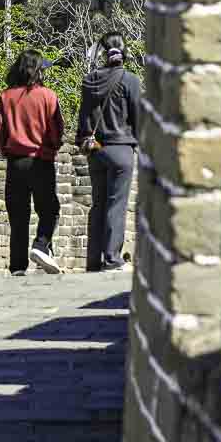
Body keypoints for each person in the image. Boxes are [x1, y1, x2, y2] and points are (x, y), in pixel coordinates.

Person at [0, 52, 65, 275]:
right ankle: (41, 245)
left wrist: (6, 148)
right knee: (49, 210)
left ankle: (17, 267)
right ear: (38, 70)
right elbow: (56, 130)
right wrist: (52, 146)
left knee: (18, 216)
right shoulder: (48, 96)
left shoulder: (6, 96)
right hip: (41, 161)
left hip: (15, 163)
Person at [76, 32, 141, 271]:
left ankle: (93, 261)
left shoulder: (89, 80)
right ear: (124, 51)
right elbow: (138, 117)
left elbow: (83, 116)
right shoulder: (130, 80)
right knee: (116, 205)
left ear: (102, 53)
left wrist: (82, 141)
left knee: (98, 204)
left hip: (96, 149)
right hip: (121, 149)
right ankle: (112, 259)